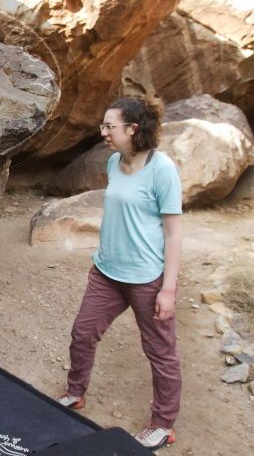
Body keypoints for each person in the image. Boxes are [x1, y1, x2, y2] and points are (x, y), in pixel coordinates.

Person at [55, 97, 183, 450]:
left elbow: (174, 234)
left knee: (160, 351)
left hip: (147, 277)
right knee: (82, 333)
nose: (103, 132)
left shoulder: (162, 170)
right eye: (104, 125)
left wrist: (168, 289)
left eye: (110, 126)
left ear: (133, 129)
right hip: (107, 271)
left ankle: (163, 424)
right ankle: (75, 392)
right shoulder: (113, 163)